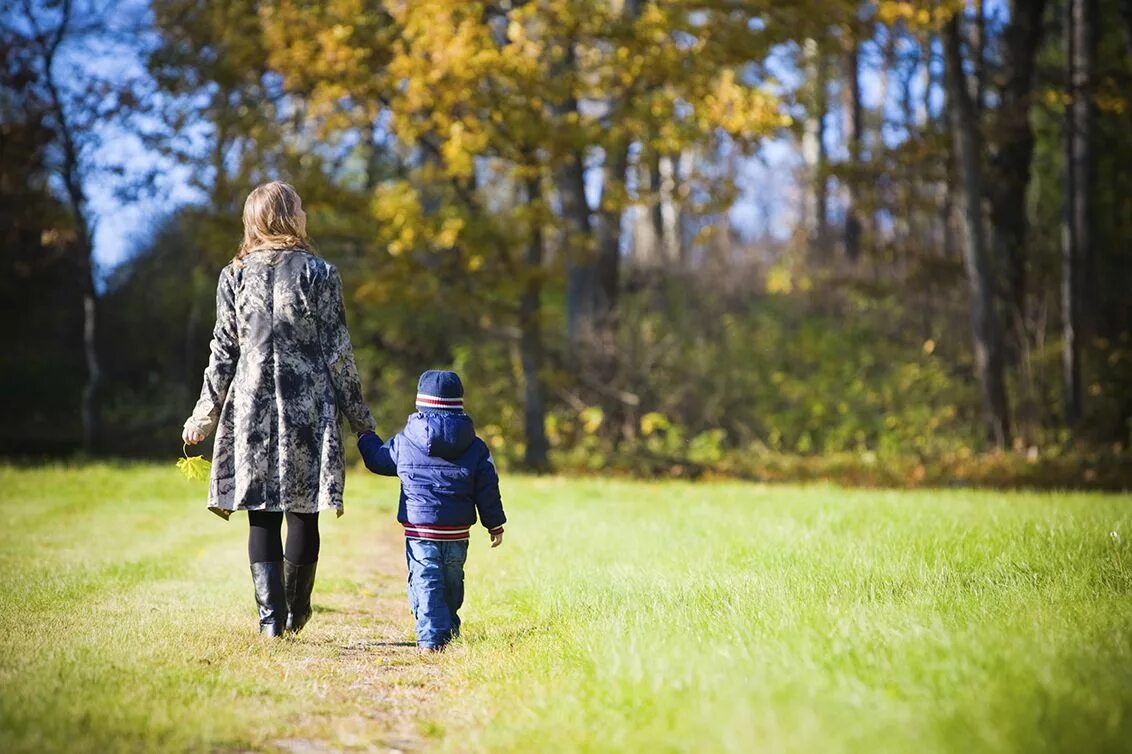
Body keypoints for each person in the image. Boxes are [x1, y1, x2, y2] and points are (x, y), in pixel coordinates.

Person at [182, 181, 375, 637]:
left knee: (261, 512)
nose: (305, 213)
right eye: (301, 207)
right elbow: (338, 352)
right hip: (306, 404)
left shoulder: (234, 275)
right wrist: (361, 419)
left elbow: (223, 351)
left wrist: (203, 415)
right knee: (303, 510)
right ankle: (294, 612)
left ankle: (272, 622)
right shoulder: (320, 273)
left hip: (250, 406)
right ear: (288, 216)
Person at [357, 370, 506, 653]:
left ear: (420, 403)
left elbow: (378, 461)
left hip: (421, 528)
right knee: (452, 581)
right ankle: (446, 629)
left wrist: (366, 436)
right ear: (459, 403)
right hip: (458, 532)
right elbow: (488, 488)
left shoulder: (405, 441)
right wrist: (494, 524)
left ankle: (431, 639)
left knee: (426, 579)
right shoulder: (476, 446)